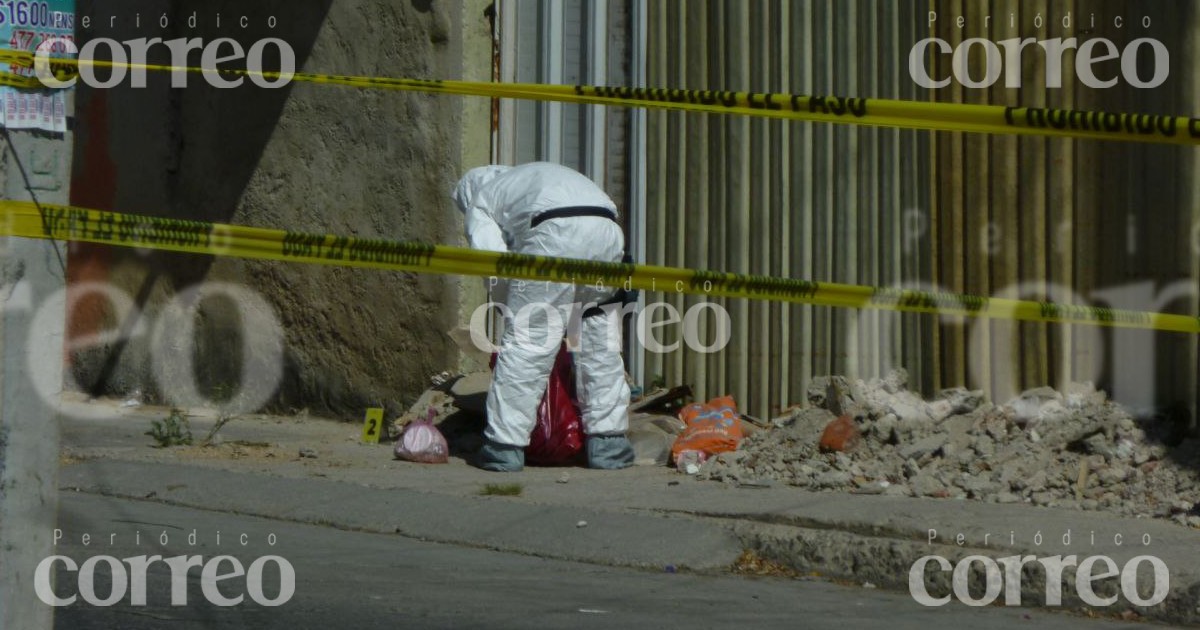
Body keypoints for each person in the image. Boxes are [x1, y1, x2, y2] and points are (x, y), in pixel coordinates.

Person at [452, 162, 635, 472]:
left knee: (528, 342)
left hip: (556, 235)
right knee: (600, 341)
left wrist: (512, 309)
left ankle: (504, 446)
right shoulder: (530, 177)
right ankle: (609, 444)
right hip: (607, 234)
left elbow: (492, 264)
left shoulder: (481, 198)